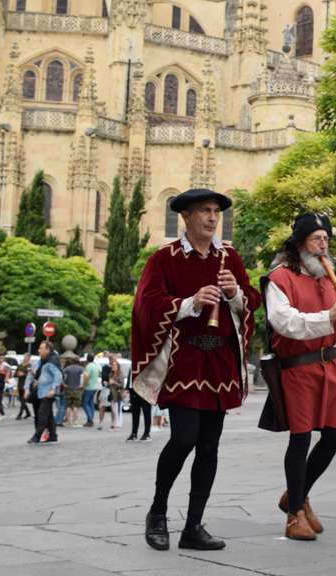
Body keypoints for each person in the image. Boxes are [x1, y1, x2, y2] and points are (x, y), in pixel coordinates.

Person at [131, 188, 261, 552]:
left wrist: (235, 293)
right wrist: (189, 303)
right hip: (183, 361)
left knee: (209, 446)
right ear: (184, 217)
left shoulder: (229, 257)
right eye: (204, 211)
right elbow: (146, 305)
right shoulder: (164, 258)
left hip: (219, 363)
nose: (212, 217)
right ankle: (157, 513)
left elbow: (251, 300)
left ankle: (193, 527)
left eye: (216, 211)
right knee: (184, 439)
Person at [260, 212, 336, 541]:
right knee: (300, 440)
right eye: (317, 239)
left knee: (335, 437)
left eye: (326, 240)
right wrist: (328, 313)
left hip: (330, 366)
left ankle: (297, 494)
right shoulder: (279, 277)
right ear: (300, 243)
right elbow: (283, 321)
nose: (323, 245)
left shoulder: (329, 280)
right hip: (298, 367)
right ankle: (294, 515)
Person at [27, 341, 62, 444]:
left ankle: (37, 436)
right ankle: (53, 436)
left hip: (48, 392)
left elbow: (58, 375)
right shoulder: (45, 360)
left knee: (42, 413)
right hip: (43, 391)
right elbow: (46, 374)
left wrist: (53, 389)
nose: (38, 350)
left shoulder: (51, 361)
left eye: (41, 348)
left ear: (47, 350)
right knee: (49, 414)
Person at [62, 358, 85, 428]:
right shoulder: (80, 368)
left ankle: (67, 421)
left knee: (68, 406)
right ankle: (74, 421)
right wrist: (83, 385)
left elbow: (61, 374)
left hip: (69, 388)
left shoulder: (68, 368)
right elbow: (86, 375)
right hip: (77, 389)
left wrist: (63, 384)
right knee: (75, 405)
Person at [108, 356, 125, 432]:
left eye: (115, 365)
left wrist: (114, 382)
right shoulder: (111, 375)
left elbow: (121, 385)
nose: (113, 367)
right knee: (114, 410)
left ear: (118, 367)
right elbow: (110, 385)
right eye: (113, 365)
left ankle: (118, 425)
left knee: (118, 410)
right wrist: (107, 384)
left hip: (118, 395)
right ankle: (116, 423)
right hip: (112, 395)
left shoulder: (120, 375)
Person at [81, 354, 99, 426]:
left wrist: (83, 386)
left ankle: (90, 418)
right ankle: (91, 417)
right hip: (94, 386)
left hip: (88, 387)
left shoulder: (88, 366)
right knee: (91, 403)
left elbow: (87, 377)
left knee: (85, 403)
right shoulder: (95, 366)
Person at [14, 355, 32, 419]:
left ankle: (20, 414)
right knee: (22, 400)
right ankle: (28, 413)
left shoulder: (29, 366)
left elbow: (30, 375)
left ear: (29, 359)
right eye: (24, 357)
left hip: (26, 385)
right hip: (20, 384)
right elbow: (15, 374)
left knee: (22, 400)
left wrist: (23, 374)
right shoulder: (20, 365)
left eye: (26, 357)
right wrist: (17, 374)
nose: (25, 358)